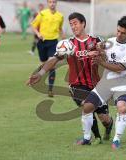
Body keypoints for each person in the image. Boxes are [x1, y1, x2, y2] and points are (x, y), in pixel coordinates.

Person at [27, 12, 113, 144]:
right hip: (77, 84)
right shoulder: (67, 44)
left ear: (83, 23)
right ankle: (94, 137)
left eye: (75, 23)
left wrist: (101, 55)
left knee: (104, 118)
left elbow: (107, 59)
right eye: (71, 24)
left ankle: (109, 126)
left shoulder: (97, 41)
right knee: (87, 107)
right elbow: (53, 60)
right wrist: (40, 73)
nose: (73, 26)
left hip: (97, 84)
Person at [76, 16, 126, 149]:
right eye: (118, 31)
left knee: (122, 108)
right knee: (87, 107)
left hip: (123, 81)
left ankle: (116, 140)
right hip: (107, 81)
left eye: (123, 33)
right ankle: (86, 138)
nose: (119, 35)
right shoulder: (110, 41)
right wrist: (98, 50)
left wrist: (101, 62)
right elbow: (102, 51)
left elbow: (120, 68)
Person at [31, 0, 64, 97]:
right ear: (47, 3)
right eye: (50, 2)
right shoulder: (42, 14)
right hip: (42, 42)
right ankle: (38, 77)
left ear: (56, 3)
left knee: (52, 65)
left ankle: (50, 89)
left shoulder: (60, 16)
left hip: (54, 42)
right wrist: (38, 34)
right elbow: (33, 25)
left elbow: (60, 28)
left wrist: (63, 38)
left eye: (54, 2)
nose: (52, 4)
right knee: (44, 64)